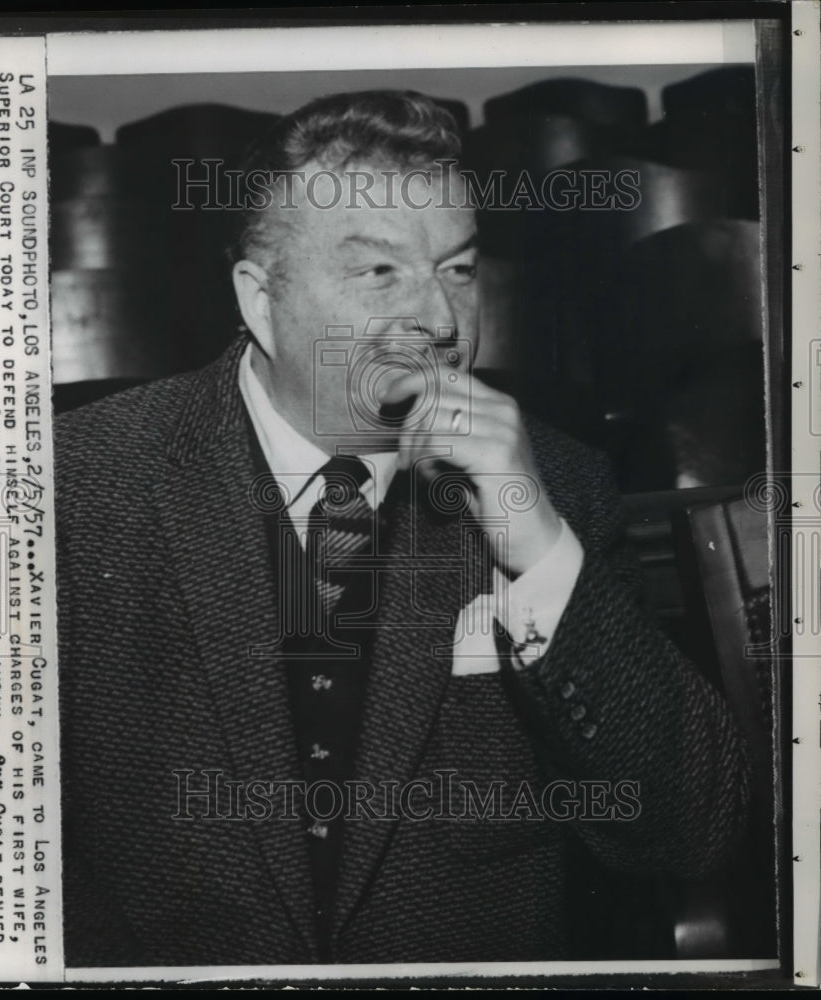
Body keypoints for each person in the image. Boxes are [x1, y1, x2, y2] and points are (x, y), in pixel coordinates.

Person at [54, 90, 752, 967]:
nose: (440, 321)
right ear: (260, 301)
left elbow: (692, 833)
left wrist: (537, 548)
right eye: (380, 272)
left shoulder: (553, 479)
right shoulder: (79, 484)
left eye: (457, 268)